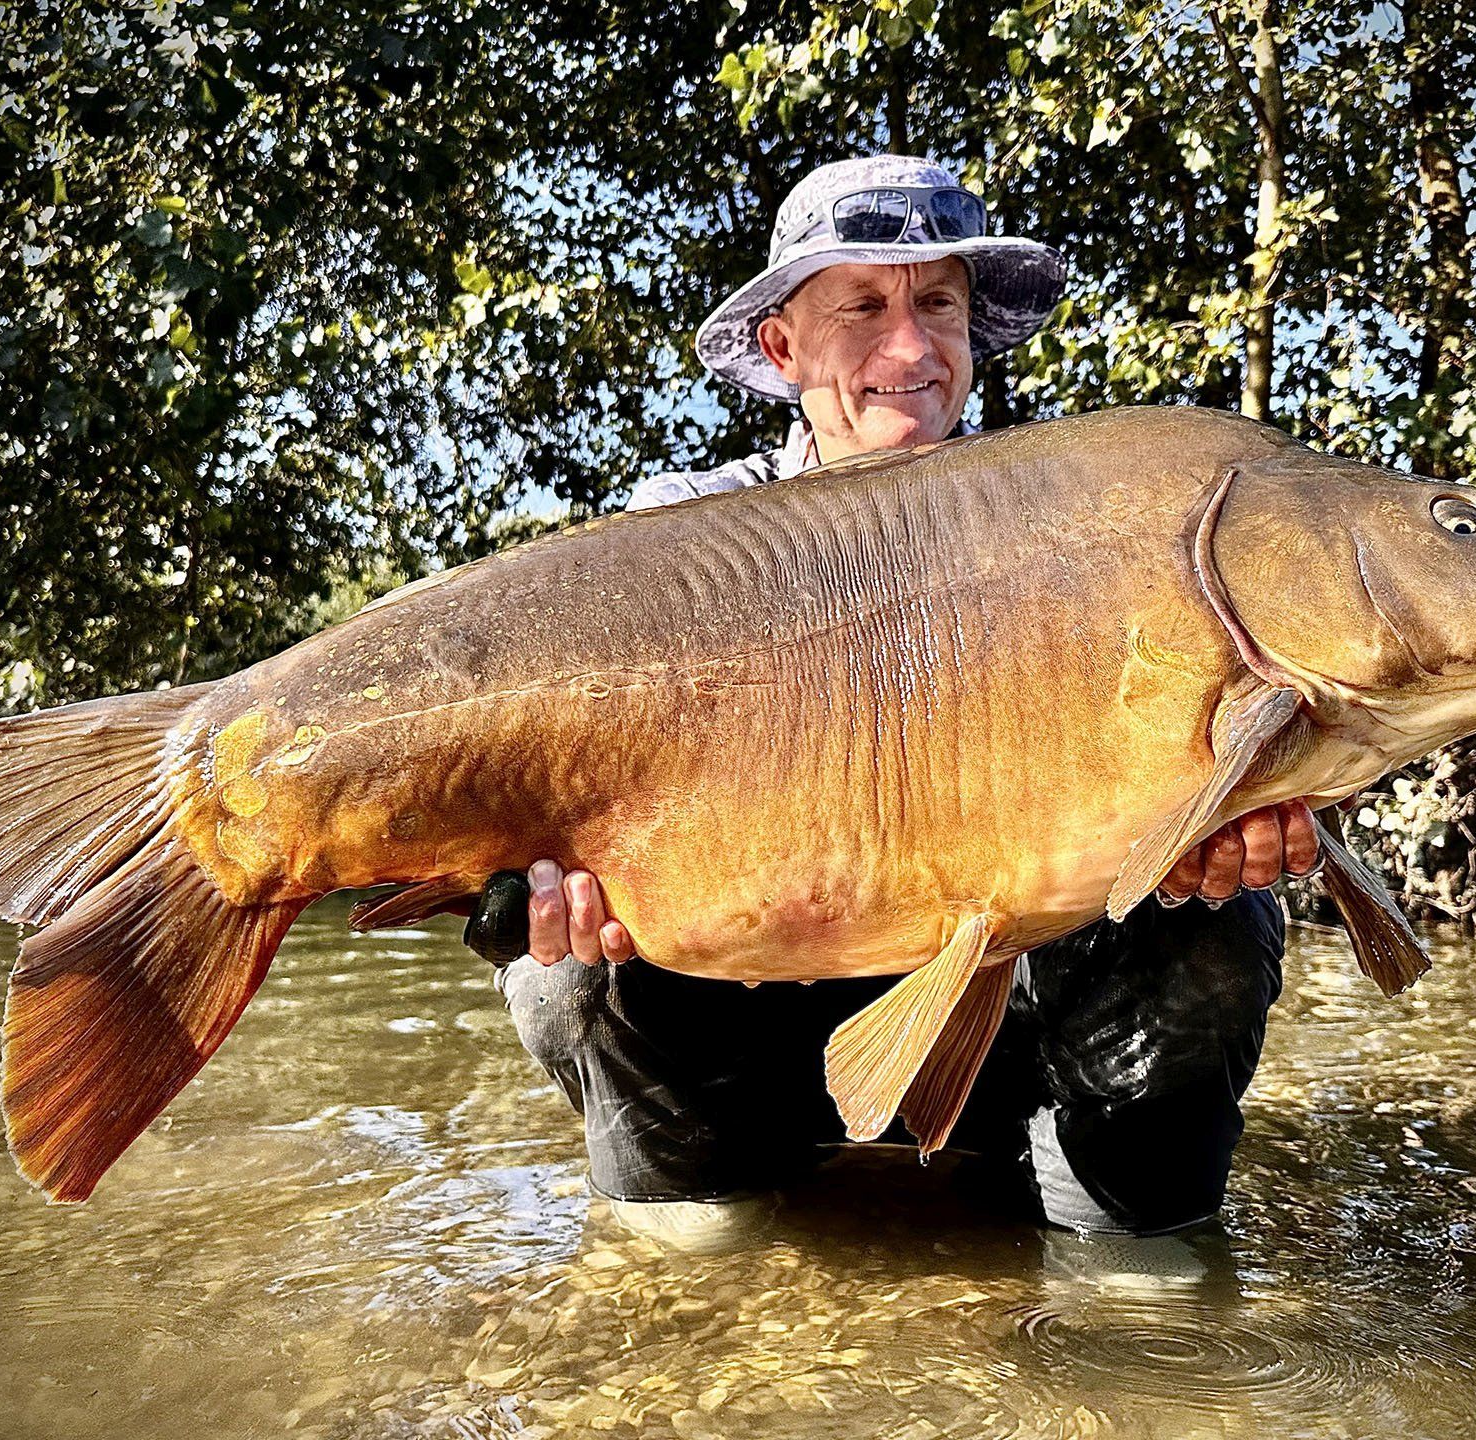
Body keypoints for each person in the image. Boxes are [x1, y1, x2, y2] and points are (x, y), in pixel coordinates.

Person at [473, 156, 1319, 1247]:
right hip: (757, 1034)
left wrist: (1238, 828)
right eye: (862, 307)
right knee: (563, 974)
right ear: (783, 347)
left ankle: (1136, 1281)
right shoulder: (674, 538)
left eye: (938, 304)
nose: (911, 348)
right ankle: (688, 1263)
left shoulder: (1085, 526)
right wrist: (524, 891)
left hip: (1012, 1039)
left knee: (1216, 916)